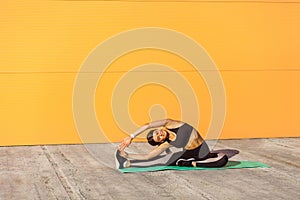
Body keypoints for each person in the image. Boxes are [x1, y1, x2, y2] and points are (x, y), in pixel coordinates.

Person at [116, 119, 228, 169]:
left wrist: (131, 136)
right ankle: (128, 162)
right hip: (189, 153)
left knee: (223, 159)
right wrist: (127, 155)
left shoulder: (170, 124)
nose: (160, 134)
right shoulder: (167, 143)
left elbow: (148, 125)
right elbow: (148, 156)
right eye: (158, 138)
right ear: (160, 142)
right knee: (163, 160)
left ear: (158, 129)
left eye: (157, 132)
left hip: (202, 151)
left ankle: (189, 163)